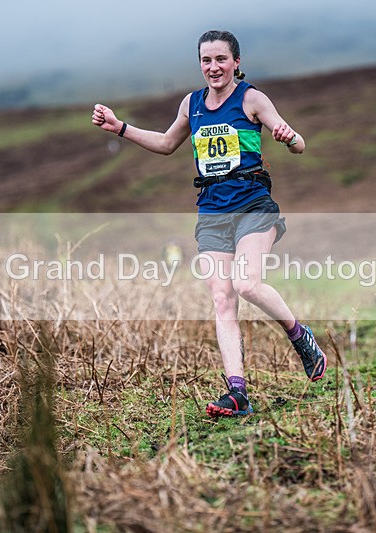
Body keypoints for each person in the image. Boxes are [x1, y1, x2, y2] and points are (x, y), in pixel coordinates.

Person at [92, 29, 326, 418]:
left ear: (236, 62)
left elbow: (299, 143)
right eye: (206, 60)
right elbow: (167, 144)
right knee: (222, 298)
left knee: (246, 283)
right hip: (212, 213)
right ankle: (237, 394)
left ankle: (300, 336)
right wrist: (120, 127)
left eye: (221, 59)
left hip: (252, 205)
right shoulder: (192, 104)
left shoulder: (251, 98)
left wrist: (289, 137)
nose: (213, 67)